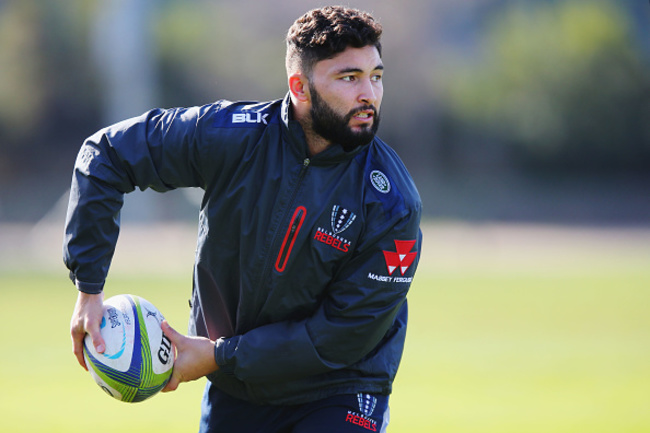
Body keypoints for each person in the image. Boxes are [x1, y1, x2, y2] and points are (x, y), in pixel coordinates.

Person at [65, 6, 422, 433]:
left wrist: (219, 354)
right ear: (300, 87)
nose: (370, 94)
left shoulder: (392, 202)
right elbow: (105, 155)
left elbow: (339, 337)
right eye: (349, 78)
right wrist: (89, 289)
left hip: (340, 388)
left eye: (376, 76)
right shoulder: (231, 137)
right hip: (237, 389)